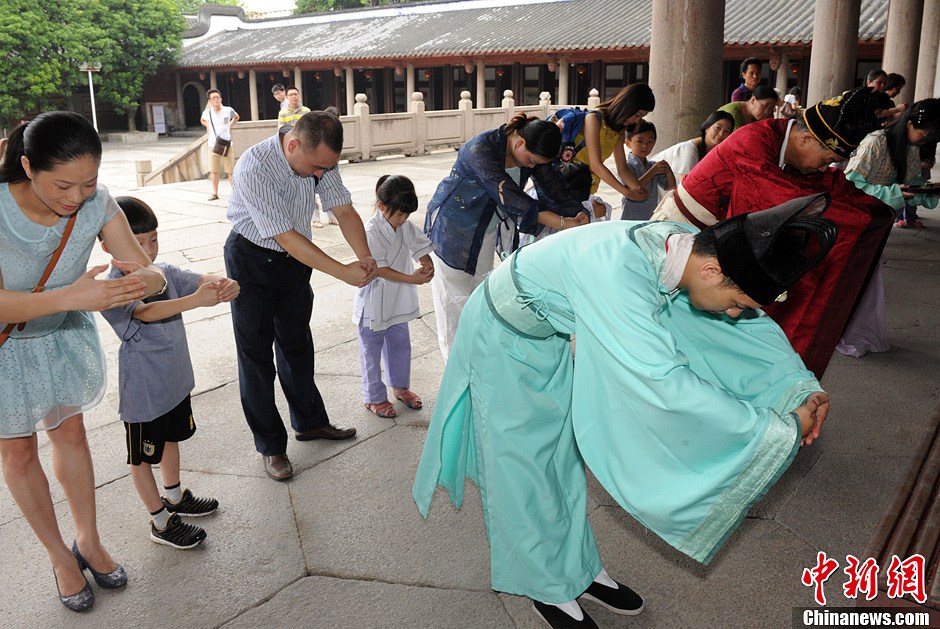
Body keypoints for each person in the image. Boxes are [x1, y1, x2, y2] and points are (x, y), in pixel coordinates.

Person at [414, 195, 836, 629]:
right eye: (738, 303)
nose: (735, 314)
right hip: (501, 337)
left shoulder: (689, 248)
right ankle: (546, 586)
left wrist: (796, 388)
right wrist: (773, 430)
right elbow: (661, 381)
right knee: (522, 465)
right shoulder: (619, 275)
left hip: (551, 334)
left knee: (560, 457)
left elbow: (752, 331)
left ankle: (577, 568)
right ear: (713, 272)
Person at [0, 111, 167, 611]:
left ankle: (88, 539)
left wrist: (140, 282)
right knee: (18, 452)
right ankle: (59, 557)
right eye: (62, 185)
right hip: (8, 347)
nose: (76, 197)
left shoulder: (98, 202)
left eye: (87, 183)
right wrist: (72, 296)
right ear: (27, 167)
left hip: (59, 337)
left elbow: (148, 269)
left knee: (71, 433)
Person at [650, 86, 895, 378]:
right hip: (682, 231)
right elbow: (782, 199)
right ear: (805, 139)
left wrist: (873, 211)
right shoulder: (754, 141)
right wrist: (853, 219)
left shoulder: (786, 139)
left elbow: (828, 183)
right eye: (825, 157)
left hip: (711, 234)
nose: (824, 167)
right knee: (667, 317)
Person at [224, 111, 376, 482]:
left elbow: (342, 208)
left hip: (295, 262)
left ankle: (309, 422)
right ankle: (271, 446)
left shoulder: (320, 158)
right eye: (317, 167)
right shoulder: (254, 166)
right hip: (252, 259)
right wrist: (342, 272)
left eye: (328, 168)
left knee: (296, 344)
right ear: (293, 145)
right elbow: (285, 236)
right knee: (256, 355)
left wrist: (365, 258)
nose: (321, 174)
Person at [100, 197, 240, 549]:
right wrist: (195, 301)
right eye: (137, 242)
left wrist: (222, 283)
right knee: (142, 457)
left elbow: (196, 279)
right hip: (144, 391)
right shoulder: (113, 284)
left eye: (153, 239)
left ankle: (175, 496)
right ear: (110, 245)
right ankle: (160, 521)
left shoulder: (161, 270)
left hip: (173, 382)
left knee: (171, 439)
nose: (147, 250)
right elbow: (144, 313)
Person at [424, 113, 588, 360]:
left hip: (484, 232)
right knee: (454, 307)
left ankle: (477, 365)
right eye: (531, 161)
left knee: (478, 300)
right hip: (453, 231)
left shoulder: (530, 153)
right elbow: (511, 197)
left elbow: (553, 186)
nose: (532, 167)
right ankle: (456, 376)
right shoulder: (481, 149)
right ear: (520, 143)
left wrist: (578, 211)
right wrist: (563, 223)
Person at [836, 99, 940, 358]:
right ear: (909, 123)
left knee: (868, 280)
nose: (924, 140)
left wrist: (927, 192)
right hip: (853, 220)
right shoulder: (876, 141)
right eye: (924, 134)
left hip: (879, 222)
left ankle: (858, 331)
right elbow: (849, 185)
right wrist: (895, 191)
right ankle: (838, 331)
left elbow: (912, 185)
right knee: (849, 281)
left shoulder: (910, 148)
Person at [354, 175, 434, 419]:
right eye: (400, 214)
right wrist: (414, 279)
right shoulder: (370, 231)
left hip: (398, 300)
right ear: (381, 206)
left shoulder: (404, 226)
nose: (404, 219)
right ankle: (374, 397)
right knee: (371, 351)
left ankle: (400, 387)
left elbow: (419, 243)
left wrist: (425, 261)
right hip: (374, 303)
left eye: (407, 215)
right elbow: (379, 268)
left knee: (400, 345)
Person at [569, 83, 656, 202]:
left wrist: (638, 189)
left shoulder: (618, 130)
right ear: (628, 105)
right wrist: (627, 193)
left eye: (640, 118)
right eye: (637, 115)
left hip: (586, 189)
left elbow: (622, 168)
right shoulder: (593, 119)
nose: (636, 121)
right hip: (567, 186)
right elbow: (596, 166)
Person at [650, 111, 735, 183]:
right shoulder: (689, 150)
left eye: (727, 131)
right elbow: (685, 184)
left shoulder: (717, 154)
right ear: (707, 128)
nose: (721, 134)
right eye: (718, 128)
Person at [620, 120, 676, 220]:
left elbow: (671, 188)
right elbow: (631, 190)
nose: (645, 146)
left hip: (649, 215)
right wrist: (652, 172)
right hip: (631, 215)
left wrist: (668, 171)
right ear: (628, 143)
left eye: (649, 142)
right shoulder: (626, 166)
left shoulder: (652, 166)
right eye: (640, 141)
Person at [201, 88, 240, 202]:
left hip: (227, 143)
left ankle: (235, 193)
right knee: (214, 170)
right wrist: (208, 125)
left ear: (221, 99)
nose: (216, 99)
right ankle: (214, 193)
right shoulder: (207, 112)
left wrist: (230, 125)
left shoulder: (228, 110)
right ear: (209, 101)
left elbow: (236, 117)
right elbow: (202, 120)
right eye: (213, 98)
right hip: (213, 144)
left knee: (230, 170)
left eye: (218, 97)